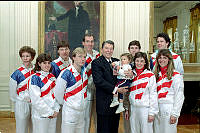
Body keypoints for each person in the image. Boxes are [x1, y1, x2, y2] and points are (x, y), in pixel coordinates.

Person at [91, 40, 129, 133]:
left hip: (115, 106)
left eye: (111, 49)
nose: (109, 50)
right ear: (102, 49)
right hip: (104, 104)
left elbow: (126, 70)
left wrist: (130, 73)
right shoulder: (96, 62)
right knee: (103, 130)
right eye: (106, 48)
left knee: (114, 129)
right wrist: (116, 89)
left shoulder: (117, 62)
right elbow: (98, 81)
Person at [54, 47, 88, 133]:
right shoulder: (66, 73)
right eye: (80, 56)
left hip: (82, 111)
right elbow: (58, 93)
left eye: (84, 57)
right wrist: (68, 103)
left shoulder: (84, 72)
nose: (82, 59)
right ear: (73, 57)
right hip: (70, 111)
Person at [153, 49, 184, 133]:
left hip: (169, 109)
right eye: (160, 58)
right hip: (156, 109)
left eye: (164, 58)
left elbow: (179, 96)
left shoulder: (176, 75)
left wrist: (175, 114)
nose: (161, 60)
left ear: (169, 60)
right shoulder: (155, 75)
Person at [28, 53, 60, 133]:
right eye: (44, 63)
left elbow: (56, 95)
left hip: (53, 114)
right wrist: (49, 112)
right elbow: (36, 99)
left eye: (49, 63)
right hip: (41, 115)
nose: (47, 65)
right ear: (39, 64)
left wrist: (56, 109)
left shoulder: (52, 77)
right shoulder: (35, 78)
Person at [128, 52, 158, 133]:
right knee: (134, 131)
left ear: (145, 62)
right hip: (133, 108)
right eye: (137, 61)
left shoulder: (150, 75)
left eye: (141, 61)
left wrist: (152, 112)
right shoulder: (130, 75)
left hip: (145, 109)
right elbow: (126, 92)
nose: (139, 63)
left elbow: (153, 94)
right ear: (134, 61)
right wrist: (127, 108)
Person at [9, 46, 36, 133]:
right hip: (22, 103)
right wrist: (20, 101)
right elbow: (12, 93)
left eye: (27, 56)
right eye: (23, 56)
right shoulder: (16, 73)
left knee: (35, 127)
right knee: (21, 128)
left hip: (35, 103)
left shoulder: (36, 70)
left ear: (32, 57)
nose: (25, 58)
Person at [51, 40, 72, 133]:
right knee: (58, 123)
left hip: (71, 97)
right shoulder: (53, 64)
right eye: (62, 49)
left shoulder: (73, 62)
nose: (64, 52)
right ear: (58, 51)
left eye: (66, 49)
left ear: (69, 50)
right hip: (59, 98)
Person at [82, 33, 100, 133]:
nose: (90, 44)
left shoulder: (97, 54)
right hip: (86, 90)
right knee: (86, 118)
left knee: (97, 118)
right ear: (83, 43)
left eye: (92, 41)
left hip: (97, 90)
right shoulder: (80, 55)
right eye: (87, 41)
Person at [123, 40, 141, 133]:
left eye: (136, 48)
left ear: (139, 49)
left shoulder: (143, 63)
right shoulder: (124, 63)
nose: (134, 50)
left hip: (140, 98)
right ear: (129, 49)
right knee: (127, 124)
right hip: (127, 96)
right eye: (132, 48)